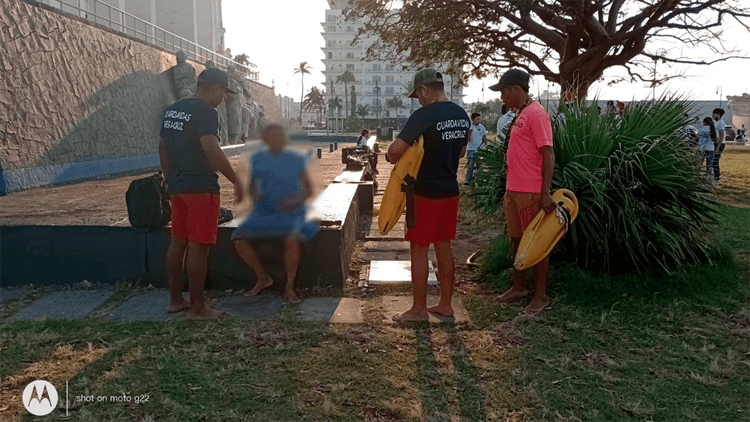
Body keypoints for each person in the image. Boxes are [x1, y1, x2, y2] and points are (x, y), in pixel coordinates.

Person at [386, 68, 470, 322]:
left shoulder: (423, 116)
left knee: (419, 249)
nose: (418, 100)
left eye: (418, 95)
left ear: (424, 90)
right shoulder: (461, 114)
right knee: (444, 246)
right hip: (450, 191)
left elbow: (393, 152)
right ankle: (445, 304)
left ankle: (419, 309)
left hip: (424, 193)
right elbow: (462, 153)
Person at [159, 67, 243, 320]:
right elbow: (210, 146)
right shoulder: (207, 111)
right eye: (224, 93)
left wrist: (169, 178)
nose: (224, 99)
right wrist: (237, 180)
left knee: (178, 243)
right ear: (216, 89)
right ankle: (197, 308)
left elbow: (163, 147)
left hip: (178, 188)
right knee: (199, 248)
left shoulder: (173, 109)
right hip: (201, 188)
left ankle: (176, 300)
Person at [489, 68, 556, 314]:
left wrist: (545, 190)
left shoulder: (537, 115)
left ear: (516, 90)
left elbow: (547, 153)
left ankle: (541, 295)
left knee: (537, 243)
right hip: (513, 190)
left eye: (504, 92)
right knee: (517, 240)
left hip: (531, 192)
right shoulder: (520, 115)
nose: (501, 98)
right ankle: (519, 286)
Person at [231, 123, 319, 305]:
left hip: (293, 209)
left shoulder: (296, 159)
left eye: (281, 135)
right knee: (238, 238)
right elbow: (252, 187)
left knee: (291, 238)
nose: (278, 139)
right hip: (266, 210)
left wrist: (292, 202)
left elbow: (309, 190)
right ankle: (262, 277)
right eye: (273, 136)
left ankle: (289, 286)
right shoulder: (257, 159)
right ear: (265, 140)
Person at [465, 112, 487, 184]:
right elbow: (468, 138)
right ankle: (468, 180)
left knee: (479, 165)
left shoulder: (482, 127)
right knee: (470, 166)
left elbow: (484, 136)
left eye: (479, 119)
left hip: (479, 149)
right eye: (477, 119)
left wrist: (485, 143)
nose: (479, 120)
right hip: (471, 149)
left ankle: (479, 179)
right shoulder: (470, 127)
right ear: (473, 120)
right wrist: (469, 135)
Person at [712, 108, 726, 185]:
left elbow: (721, 136)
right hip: (714, 143)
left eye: (714, 113)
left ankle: (716, 179)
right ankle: (712, 177)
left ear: (718, 114)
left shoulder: (721, 123)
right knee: (711, 161)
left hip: (719, 144)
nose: (712, 115)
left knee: (715, 161)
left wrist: (718, 147)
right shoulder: (715, 122)